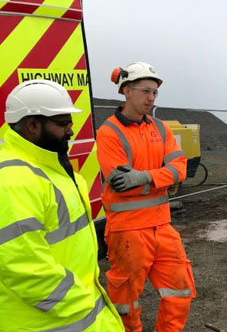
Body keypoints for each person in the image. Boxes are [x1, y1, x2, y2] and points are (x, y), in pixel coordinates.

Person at [0, 80, 124, 331]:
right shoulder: (13, 181)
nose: (70, 130)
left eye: (70, 122)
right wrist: (83, 304)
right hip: (51, 320)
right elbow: (24, 268)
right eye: (62, 124)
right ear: (32, 125)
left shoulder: (51, 167)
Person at [96, 62, 195, 332]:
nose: (151, 98)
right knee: (126, 303)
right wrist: (163, 177)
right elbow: (122, 184)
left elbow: (181, 169)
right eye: (145, 91)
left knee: (180, 292)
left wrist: (146, 177)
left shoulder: (161, 128)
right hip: (127, 230)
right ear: (126, 91)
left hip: (162, 226)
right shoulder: (109, 132)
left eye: (155, 93)